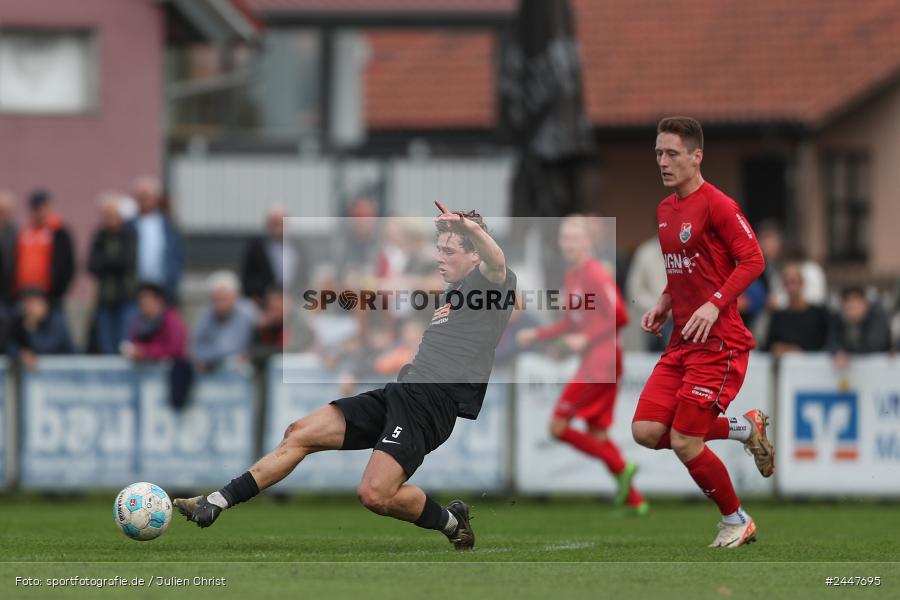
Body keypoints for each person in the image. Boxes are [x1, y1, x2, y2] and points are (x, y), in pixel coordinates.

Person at [174, 202, 516, 551]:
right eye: (438, 249)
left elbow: (497, 262)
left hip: (431, 405)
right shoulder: (453, 292)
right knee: (299, 433)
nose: (440, 257)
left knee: (374, 494)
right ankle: (215, 502)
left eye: (449, 250)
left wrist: (471, 229)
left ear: (475, 254)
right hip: (402, 392)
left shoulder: (489, 284)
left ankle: (453, 523)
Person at [632, 117, 775, 548]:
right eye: (659, 153)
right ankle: (745, 428)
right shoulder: (665, 210)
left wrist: (715, 304)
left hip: (721, 343)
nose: (663, 161)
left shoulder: (719, 205)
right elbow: (688, 270)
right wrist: (664, 301)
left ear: (697, 157)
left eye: (672, 153)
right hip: (682, 341)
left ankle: (737, 519)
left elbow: (753, 260)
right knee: (646, 430)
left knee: (685, 440)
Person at [517, 215, 647, 514]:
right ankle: (636, 501)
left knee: (558, 427)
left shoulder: (595, 274)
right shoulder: (573, 275)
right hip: (596, 360)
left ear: (589, 241)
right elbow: (569, 323)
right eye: (564, 237)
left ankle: (621, 466)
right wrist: (537, 333)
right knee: (597, 432)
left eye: (575, 237)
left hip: (602, 362)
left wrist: (586, 338)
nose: (568, 243)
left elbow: (622, 316)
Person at [88, 192, 138, 354]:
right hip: (105, 300)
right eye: (105, 215)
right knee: (106, 346)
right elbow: (91, 265)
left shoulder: (129, 233)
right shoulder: (99, 236)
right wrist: (109, 261)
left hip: (126, 298)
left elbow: (126, 261)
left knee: (124, 344)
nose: (108, 219)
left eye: (112, 214)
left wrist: (105, 262)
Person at [13, 190, 75, 307]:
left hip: (49, 295)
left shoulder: (59, 232)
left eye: (41, 208)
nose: (39, 213)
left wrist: (56, 292)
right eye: (36, 209)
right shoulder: (25, 232)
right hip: (25, 292)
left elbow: (67, 264)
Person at [240, 206, 308, 306]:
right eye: (275, 223)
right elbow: (248, 277)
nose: (278, 227)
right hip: (264, 303)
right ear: (268, 224)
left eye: (281, 223)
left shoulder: (298, 246)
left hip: (293, 301)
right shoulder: (256, 247)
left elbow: (304, 274)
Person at [191, 271, 258, 373]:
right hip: (212, 371)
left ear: (236, 296)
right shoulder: (205, 315)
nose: (220, 305)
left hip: (242, 372)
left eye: (224, 299)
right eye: (216, 300)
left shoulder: (249, 313)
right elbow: (196, 347)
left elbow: (257, 343)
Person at [131, 176, 184, 303]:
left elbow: (177, 255)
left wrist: (172, 279)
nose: (144, 201)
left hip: (163, 287)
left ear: (156, 199)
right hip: (135, 288)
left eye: (147, 197)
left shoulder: (168, 225)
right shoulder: (128, 225)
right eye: (140, 198)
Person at [764, 262, 829, 357]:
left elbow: (824, 344)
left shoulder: (819, 314)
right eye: (787, 283)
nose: (791, 288)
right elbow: (768, 346)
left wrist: (798, 351)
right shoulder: (778, 317)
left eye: (794, 282)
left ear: (802, 283)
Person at [9, 288, 74, 369]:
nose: (30, 309)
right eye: (27, 304)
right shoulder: (19, 321)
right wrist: (20, 353)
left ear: (44, 304)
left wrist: (31, 327)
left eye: (33, 304)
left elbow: (45, 349)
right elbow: (9, 343)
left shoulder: (56, 320)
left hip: (66, 373)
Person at [121, 282, 187, 362]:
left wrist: (145, 352)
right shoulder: (137, 321)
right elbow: (135, 344)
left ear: (159, 300)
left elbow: (175, 350)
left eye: (147, 298)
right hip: (144, 370)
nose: (143, 302)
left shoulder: (172, 321)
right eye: (141, 298)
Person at [828, 286, 892, 369]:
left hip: (880, 369)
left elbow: (874, 344)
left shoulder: (878, 317)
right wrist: (838, 352)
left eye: (855, 306)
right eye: (848, 307)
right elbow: (831, 340)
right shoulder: (839, 319)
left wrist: (847, 353)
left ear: (865, 303)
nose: (851, 311)